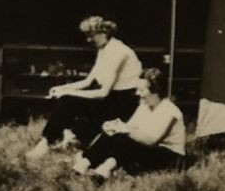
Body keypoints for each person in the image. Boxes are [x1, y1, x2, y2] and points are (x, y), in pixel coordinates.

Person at [25, 15, 141, 159]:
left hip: (124, 104)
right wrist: (61, 88)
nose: (88, 40)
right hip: (111, 99)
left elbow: (103, 93)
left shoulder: (120, 52)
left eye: (90, 35)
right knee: (65, 99)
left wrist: (68, 92)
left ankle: (46, 144)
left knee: (68, 101)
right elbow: (87, 82)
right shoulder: (104, 49)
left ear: (104, 33)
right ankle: (56, 140)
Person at [72, 68, 187, 180]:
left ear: (156, 90)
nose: (138, 93)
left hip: (169, 157)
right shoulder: (144, 106)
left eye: (142, 90)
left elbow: (152, 141)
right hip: (147, 150)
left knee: (125, 137)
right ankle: (86, 164)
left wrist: (124, 129)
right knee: (117, 134)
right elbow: (130, 127)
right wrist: (114, 126)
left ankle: (105, 168)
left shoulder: (170, 111)